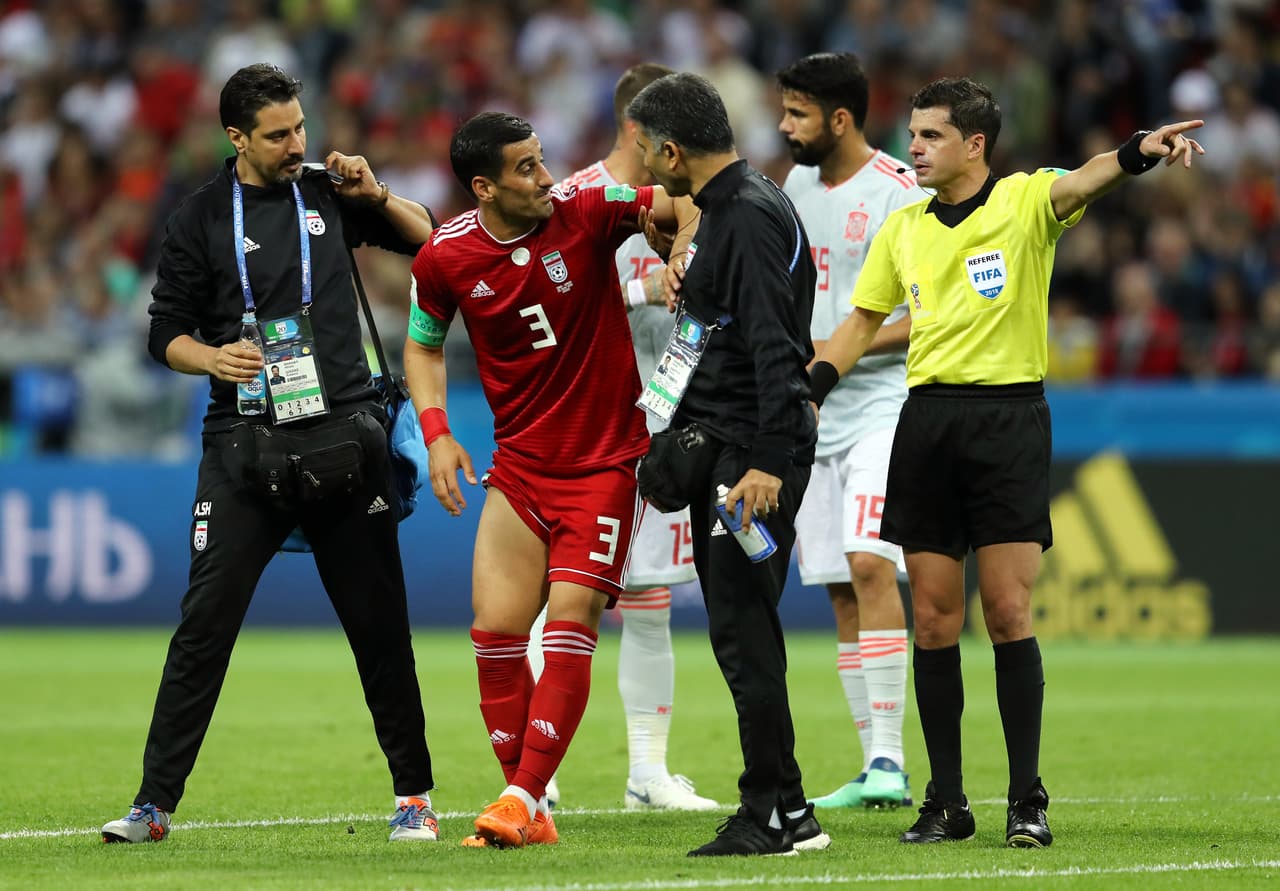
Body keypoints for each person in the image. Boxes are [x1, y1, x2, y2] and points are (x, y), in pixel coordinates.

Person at [811, 76, 1205, 848]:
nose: (913, 148)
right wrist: (815, 384)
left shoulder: (1025, 202)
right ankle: (946, 800)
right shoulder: (905, 229)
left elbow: (1086, 175)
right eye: (913, 134)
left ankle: (1027, 796)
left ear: (974, 144)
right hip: (924, 423)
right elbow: (861, 322)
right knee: (931, 618)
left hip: (1008, 420)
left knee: (1007, 611)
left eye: (929, 136)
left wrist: (1137, 152)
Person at [101, 63, 441, 844]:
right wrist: (211, 357)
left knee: (379, 625)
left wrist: (376, 193)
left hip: (344, 435)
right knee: (203, 625)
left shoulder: (326, 190)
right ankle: (153, 805)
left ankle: (414, 795)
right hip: (244, 442)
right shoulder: (197, 219)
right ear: (235, 138)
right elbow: (164, 332)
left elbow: (432, 242)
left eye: (301, 128)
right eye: (279, 134)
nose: (297, 144)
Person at [402, 111, 679, 849]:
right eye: (526, 168)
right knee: (494, 634)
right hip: (520, 467)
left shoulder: (587, 212)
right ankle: (532, 807)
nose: (547, 178)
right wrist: (437, 435)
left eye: (543, 160)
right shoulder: (444, 257)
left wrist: (676, 245)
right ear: (484, 186)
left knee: (570, 624)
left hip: (604, 465)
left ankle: (522, 794)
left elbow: (674, 199)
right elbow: (423, 347)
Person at [627, 72, 828, 857]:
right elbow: (733, 322)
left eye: (647, 151)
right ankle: (791, 806)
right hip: (735, 438)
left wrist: (769, 462)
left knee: (743, 633)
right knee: (744, 629)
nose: (645, 167)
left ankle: (767, 815)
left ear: (675, 149)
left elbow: (780, 348)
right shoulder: (732, 207)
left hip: (752, 451)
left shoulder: (741, 218)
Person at [523, 62, 718, 814]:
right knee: (562, 601)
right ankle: (536, 770)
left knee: (650, 602)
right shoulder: (568, 202)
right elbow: (536, 307)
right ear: (643, 130)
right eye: (677, 132)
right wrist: (640, 286)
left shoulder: (691, 205)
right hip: (581, 430)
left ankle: (647, 773)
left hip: (663, 427)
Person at [777, 52, 921, 811]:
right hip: (814, 413)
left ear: (840, 118)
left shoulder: (900, 192)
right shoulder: (797, 185)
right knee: (838, 586)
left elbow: (926, 309)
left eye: (797, 114)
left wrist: (840, 352)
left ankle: (895, 758)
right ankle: (874, 766)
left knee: (871, 562)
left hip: (879, 407)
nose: (783, 126)